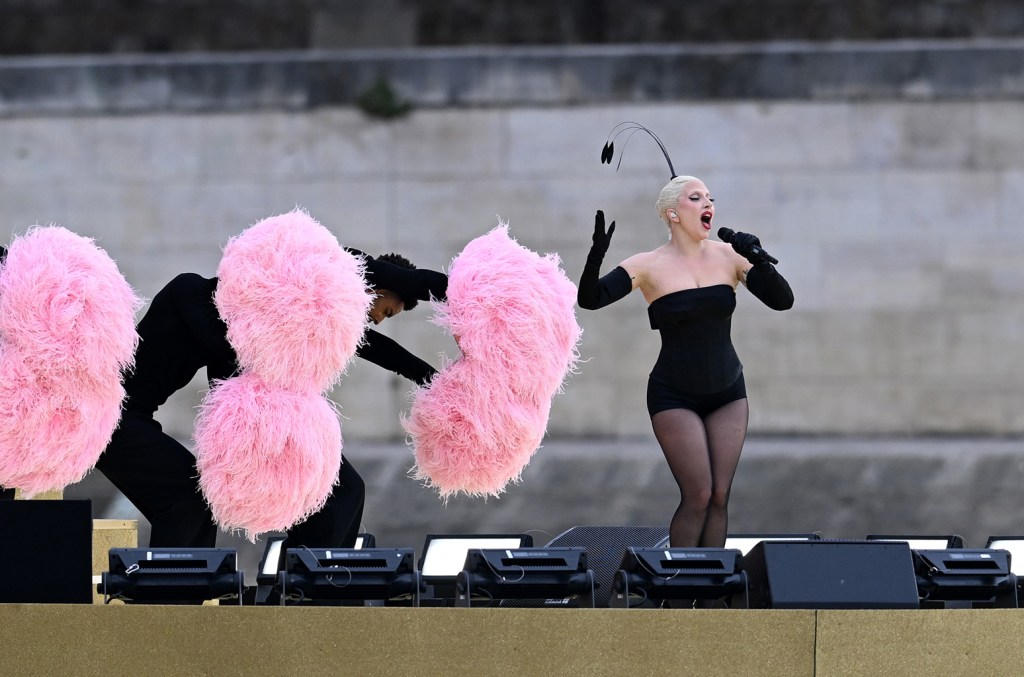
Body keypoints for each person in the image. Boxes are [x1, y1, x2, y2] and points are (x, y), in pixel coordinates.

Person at [94, 249, 447, 550]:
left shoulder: (247, 326)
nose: (376, 321)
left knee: (343, 489)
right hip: (109, 420)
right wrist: (476, 293)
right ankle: (172, 611)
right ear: (375, 288)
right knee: (187, 504)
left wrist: (434, 381)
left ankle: (304, 591)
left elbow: (371, 346)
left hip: (129, 421)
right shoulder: (193, 297)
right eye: (386, 312)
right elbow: (357, 272)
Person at [577, 175, 793, 548]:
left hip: (728, 392)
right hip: (674, 395)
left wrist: (759, 259)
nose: (708, 203)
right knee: (698, 495)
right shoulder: (646, 265)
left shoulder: (730, 257)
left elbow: (782, 300)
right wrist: (596, 254)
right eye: (696, 197)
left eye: (711, 197)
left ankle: (711, 595)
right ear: (673, 213)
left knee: (720, 497)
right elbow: (591, 299)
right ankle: (676, 589)